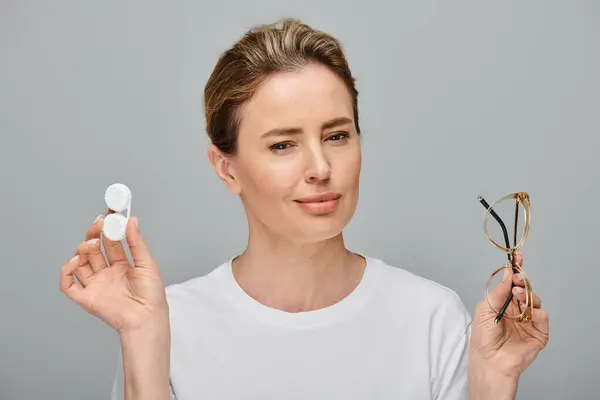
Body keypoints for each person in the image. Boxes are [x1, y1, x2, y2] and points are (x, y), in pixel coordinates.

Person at [59, 18, 549, 400]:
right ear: (226, 168)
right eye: (282, 145)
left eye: (337, 136)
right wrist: (143, 341)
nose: (320, 167)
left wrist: (493, 383)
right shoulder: (167, 323)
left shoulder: (432, 319)